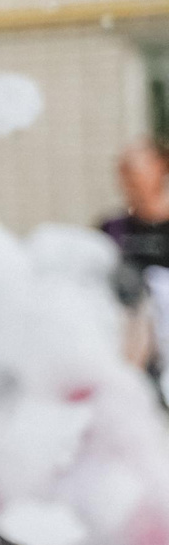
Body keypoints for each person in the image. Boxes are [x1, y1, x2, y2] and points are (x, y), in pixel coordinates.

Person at [99, 133, 169, 387]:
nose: (127, 177)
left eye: (134, 167)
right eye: (122, 169)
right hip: (130, 350)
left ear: (160, 167)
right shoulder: (111, 228)